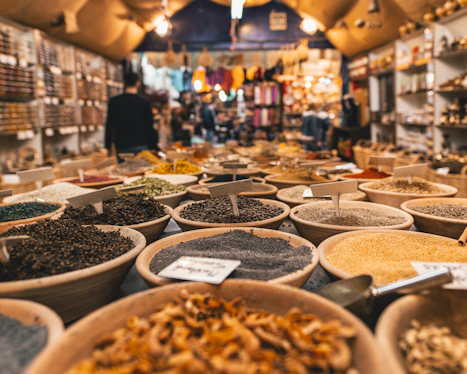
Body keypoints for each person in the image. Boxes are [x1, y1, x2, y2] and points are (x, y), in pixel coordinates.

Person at [105, 72, 158, 160]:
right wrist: (153, 146)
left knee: (124, 172)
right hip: (141, 145)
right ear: (138, 83)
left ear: (124, 83)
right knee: (141, 171)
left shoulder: (114, 102)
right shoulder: (144, 102)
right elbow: (149, 126)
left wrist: (108, 146)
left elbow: (109, 125)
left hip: (121, 145)